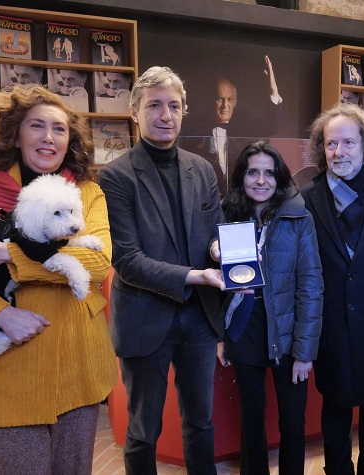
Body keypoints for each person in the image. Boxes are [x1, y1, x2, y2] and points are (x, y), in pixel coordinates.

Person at [0, 85, 117, 474]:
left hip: (79, 369)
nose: (49, 137)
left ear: (69, 140)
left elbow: (97, 263)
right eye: (36, 126)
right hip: (7, 371)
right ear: (14, 134)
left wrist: (9, 255)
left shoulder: (88, 193)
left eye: (59, 129)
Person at [97, 66, 226, 475]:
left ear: (183, 111)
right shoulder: (114, 176)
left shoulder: (202, 169)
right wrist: (196, 275)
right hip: (145, 318)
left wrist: (220, 249)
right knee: (143, 431)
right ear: (135, 111)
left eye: (174, 105)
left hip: (199, 318)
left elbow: (214, 229)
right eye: (154, 105)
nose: (165, 115)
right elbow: (127, 260)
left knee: (201, 423)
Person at [301, 103, 364, 474]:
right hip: (331, 329)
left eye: (348, 143)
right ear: (321, 148)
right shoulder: (306, 198)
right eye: (330, 144)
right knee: (335, 411)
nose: (338, 152)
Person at [217, 140, 323, 474]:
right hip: (245, 328)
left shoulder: (299, 216)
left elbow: (311, 285)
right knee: (251, 419)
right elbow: (216, 286)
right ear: (241, 177)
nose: (261, 181)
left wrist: (305, 352)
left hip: (289, 334)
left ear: (279, 177)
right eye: (252, 172)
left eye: (269, 173)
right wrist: (222, 335)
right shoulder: (229, 214)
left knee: (292, 421)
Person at [200, 55, 283, 197]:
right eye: (220, 99)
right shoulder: (197, 127)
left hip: (240, 198)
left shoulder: (244, 125)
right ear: (211, 100)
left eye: (230, 99)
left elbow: (271, 126)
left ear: (235, 102)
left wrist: (273, 90)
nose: (225, 106)